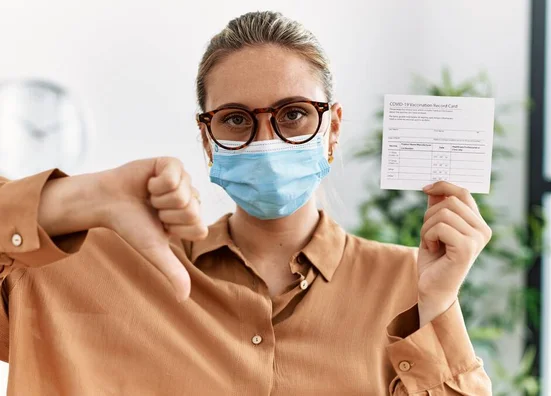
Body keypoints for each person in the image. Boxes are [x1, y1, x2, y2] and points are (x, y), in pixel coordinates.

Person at [0, 10, 493, 396]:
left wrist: (437, 305)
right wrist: (78, 197)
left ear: (333, 128)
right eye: (236, 119)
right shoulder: (85, 267)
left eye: (294, 114)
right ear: (206, 136)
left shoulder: (405, 284)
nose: (265, 141)